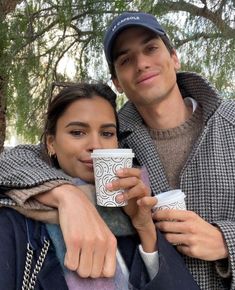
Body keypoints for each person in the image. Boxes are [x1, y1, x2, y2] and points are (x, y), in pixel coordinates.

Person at [0, 11, 234, 290]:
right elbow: (15, 159)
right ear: (117, 82)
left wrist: (226, 241)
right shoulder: (115, 141)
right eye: (125, 60)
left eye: (150, 48)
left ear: (174, 57)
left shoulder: (230, 123)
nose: (142, 63)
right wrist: (67, 196)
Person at [0, 82, 199, 289]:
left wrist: (144, 226)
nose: (95, 145)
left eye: (107, 133)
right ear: (51, 143)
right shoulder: (17, 218)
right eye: (77, 132)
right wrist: (68, 196)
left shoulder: (135, 201)